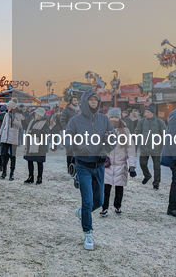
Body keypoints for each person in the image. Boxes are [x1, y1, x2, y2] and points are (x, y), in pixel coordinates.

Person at [66, 90, 116, 251]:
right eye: (91, 100)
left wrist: (105, 149)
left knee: (99, 201)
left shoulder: (104, 119)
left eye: (96, 100)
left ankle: (82, 212)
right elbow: (67, 139)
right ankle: (88, 232)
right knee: (87, 200)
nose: (94, 102)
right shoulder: (75, 120)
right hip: (83, 165)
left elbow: (113, 137)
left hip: (99, 165)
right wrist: (78, 146)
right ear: (85, 101)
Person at [101, 107, 136, 216]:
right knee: (106, 188)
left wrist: (132, 165)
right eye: (112, 117)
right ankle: (104, 207)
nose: (114, 119)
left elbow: (130, 147)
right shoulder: (103, 130)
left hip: (121, 163)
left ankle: (117, 206)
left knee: (119, 187)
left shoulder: (125, 131)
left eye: (116, 117)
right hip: (107, 163)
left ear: (119, 118)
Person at [135, 103, 165, 190]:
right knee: (142, 163)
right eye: (146, 112)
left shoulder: (159, 122)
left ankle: (156, 183)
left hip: (156, 148)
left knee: (157, 167)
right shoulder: (142, 121)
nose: (146, 114)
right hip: (144, 148)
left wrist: (162, 144)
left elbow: (164, 134)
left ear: (153, 113)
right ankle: (147, 175)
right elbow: (137, 132)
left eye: (148, 112)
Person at [23, 107, 50, 185]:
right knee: (30, 161)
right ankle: (30, 177)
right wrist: (23, 120)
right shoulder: (32, 121)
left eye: (35, 113)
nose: (34, 114)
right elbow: (26, 127)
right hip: (31, 144)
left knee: (39, 162)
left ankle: (39, 178)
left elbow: (45, 133)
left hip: (40, 145)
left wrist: (33, 132)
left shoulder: (45, 122)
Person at [0, 101, 23, 181]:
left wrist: (13, 119)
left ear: (12, 107)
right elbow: (3, 125)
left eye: (8, 106)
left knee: (12, 156)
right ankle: (4, 172)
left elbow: (20, 125)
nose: (7, 107)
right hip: (5, 137)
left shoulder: (17, 115)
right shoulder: (6, 114)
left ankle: (12, 173)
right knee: (4, 156)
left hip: (13, 138)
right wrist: (0, 134)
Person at [61, 96, 80, 175]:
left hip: (79, 134)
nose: (76, 101)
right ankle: (70, 168)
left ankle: (76, 167)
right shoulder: (67, 111)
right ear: (71, 101)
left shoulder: (80, 110)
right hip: (70, 133)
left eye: (76, 100)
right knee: (69, 151)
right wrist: (67, 129)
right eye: (74, 100)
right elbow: (62, 121)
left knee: (78, 150)